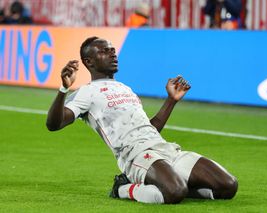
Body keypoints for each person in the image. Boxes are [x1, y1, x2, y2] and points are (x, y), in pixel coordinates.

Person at [46, 36, 238, 204]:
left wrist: (171, 100)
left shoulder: (125, 88)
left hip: (165, 149)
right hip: (135, 155)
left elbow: (151, 128)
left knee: (228, 186)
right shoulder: (85, 93)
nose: (113, 54)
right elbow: (54, 124)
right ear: (89, 62)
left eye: (113, 50)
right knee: (175, 192)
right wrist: (64, 90)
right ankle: (122, 188)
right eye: (105, 51)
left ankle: (168, 182)